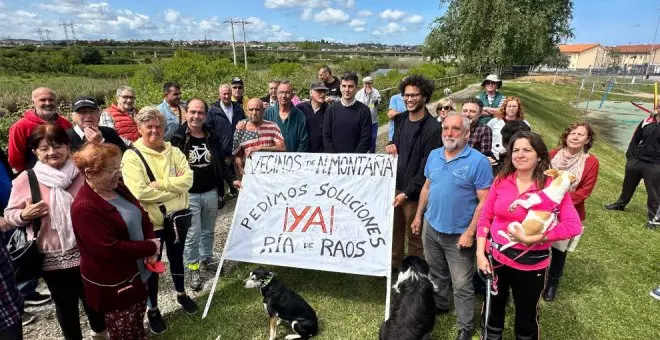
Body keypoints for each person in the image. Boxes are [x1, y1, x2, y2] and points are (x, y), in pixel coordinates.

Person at [4, 124, 107, 340]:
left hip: (88, 251)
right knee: (65, 305)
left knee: (94, 299)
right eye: (44, 148)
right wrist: (24, 215)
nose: (52, 152)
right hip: (53, 259)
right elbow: (10, 214)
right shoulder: (27, 179)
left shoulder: (83, 171)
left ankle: (101, 334)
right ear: (35, 152)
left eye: (57, 145)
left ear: (68, 146)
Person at [476, 131, 582, 340]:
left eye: (527, 150)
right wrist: (480, 253)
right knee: (492, 310)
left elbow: (573, 225)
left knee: (526, 317)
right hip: (496, 259)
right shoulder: (502, 180)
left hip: (530, 266)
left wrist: (536, 239)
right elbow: (485, 218)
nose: (520, 155)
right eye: (515, 150)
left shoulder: (553, 188)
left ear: (540, 156)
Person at [410, 112, 493, 340]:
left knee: (462, 284)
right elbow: (427, 188)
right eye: (445, 128)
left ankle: (465, 326)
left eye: (455, 129)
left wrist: (470, 232)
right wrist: (418, 216)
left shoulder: (478, 162)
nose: (449, 133)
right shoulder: (434, 155)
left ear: (466, 133)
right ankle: (441, 303)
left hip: (459, 235)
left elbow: (484, 202)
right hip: (431, 227)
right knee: (436, 273)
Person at [71, 143, 159, 340]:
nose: (117, 175)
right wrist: (150, 246)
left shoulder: (118, 188)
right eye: (111, 170)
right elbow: (108, 249)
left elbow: (141, 214)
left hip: (138, 272)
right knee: (125, 331)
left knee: (136, 321)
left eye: (118, 168)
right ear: (89, 172)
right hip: (117, 284)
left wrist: (151, 240)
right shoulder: (85, 207)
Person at [121, 107, 197, 334]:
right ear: (140, 128)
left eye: (159, 126)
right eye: (149, 127)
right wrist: (174, 188)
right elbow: (140, 192)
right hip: (152, 223)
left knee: (177, 258)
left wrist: (162, 185)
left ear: (165, 128)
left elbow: (189, 179)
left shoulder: (174, 151)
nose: (154, 131)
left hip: (177, 219)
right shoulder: (132, 156)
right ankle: (152, 308)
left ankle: (181, 294)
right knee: (153, 267)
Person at [171, 99, 233, 291]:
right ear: (186, 112)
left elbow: (221, 163)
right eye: (192, 112)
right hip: (188, 195)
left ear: (205, 115)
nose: (196, 116)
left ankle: (207, 258)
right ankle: (193, 267)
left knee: (209, 229)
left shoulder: (211, 135)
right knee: (192, 234)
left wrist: (232, 181)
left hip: (211, 191)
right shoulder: (177, 138)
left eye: (200, 112)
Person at [385, 75, 441, 273]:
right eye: (406, 96)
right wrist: (390, 146)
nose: (409, 99)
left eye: (414, 95)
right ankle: (393, 267)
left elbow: (428, 168)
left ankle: (416, 272)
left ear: (424, 96)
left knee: (415, 235)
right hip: (395, 186)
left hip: (415, 193)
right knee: (394, 231)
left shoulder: (434, 128)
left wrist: (407, 193)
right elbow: (394, 143)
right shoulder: (399, 120)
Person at [544, 123, 600, 301]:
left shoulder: (591, 162)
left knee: (559, 250)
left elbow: (585, 191)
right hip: (544, 206)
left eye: (581, 135)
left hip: (569, 211)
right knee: (539, 242)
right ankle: (537, 275)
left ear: (587, 140)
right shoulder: (552, 154)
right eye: (573, 133)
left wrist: (559, 201)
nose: (575, 137)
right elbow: (541, 178)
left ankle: (553, 282)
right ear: (566, 136)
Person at [604, 110, 660, 229]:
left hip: (655, 164)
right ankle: (620, 204)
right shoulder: (646, 121)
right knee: (627, 185)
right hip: (637, 160)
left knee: (654, 193)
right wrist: (631, 158)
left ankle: (653, 219)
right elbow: (635, 139)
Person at [8, 87, 72, 173]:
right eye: (43, 100)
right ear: (33, 102)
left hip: (67, 173)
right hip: (37, 178)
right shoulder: (20, 127)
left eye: (51, 100)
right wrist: (29, 177)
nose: (48, 103)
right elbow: (15, 158)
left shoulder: (65, 124)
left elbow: (71, 150)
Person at [232, 99, 286, 188]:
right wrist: (240, 168)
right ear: (246, 111)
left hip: (270, 176)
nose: (254, 112)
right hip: (250, 177)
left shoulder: (272, 126)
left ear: (263, 111)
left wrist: (260, 148)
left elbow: (282, 148)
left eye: (257, 109)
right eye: (251, 109)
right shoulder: (240, 130)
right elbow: (237, 155)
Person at [207, 84, 245, 198]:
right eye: (224, 94)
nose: (227, 96)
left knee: (239, 171)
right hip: (222, 148)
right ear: (220, 94)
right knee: (222, 172)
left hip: (238, 147)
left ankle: (240, 193)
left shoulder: (237, 107)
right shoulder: (213, 110)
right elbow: (208, 128)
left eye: (229, 93)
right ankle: (221, 197)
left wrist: (243, 122)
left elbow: (244, 121)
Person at [323, 72, 372, 153]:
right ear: (340, 87)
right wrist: (333, 156)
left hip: (355, 161)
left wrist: (352, 159)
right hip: (334, 160)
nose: (346, 90)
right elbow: (326, 135)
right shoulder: (330, 109)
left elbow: (366, 139)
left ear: (356, 88)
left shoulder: (364, 111)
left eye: (350, 86)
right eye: (344, 86)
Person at [263, 81, 309, 152]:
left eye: (287, 93)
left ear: (292, 95)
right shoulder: (268, 113)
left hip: (292, 160)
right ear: (277, 94)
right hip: (271, 159)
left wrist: (295, 159)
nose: (283, 96)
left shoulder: (300, 116)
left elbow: (303, 142)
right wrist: (244, 122)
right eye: (281, 92)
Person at [487, 97, 530, 161]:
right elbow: (487, 137)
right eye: (509, 106)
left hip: (514, 156)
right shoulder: (494, 122)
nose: (511, 109)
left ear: (518, 109)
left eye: (514, 106)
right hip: (494, 155)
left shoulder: (524, 123)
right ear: (505, 108)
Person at [296, 82, 329, 153]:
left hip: (321, 153)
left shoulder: (329, 110)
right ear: (311, 93)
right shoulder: (301, 108)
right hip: (302, 151)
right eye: (319, 91)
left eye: (324, 91)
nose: (322, 94)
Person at [355, 76, 381, 153]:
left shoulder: (376, 92)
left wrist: (371, 95)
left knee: (373, 139)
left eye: (369, 83)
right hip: (362, 121)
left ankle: (372, 154)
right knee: (362, 139)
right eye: (366, 83)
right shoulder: (359, 93)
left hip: (373, 121)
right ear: (363, 84)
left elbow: (377, 103)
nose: (367, 85)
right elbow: (356, 105)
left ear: (372, 83)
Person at [387, 77, 408, 142]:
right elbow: (391, 115)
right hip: (395, 135)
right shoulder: (395, 98)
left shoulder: (414, 98)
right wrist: (409, 114)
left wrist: (398, 113)